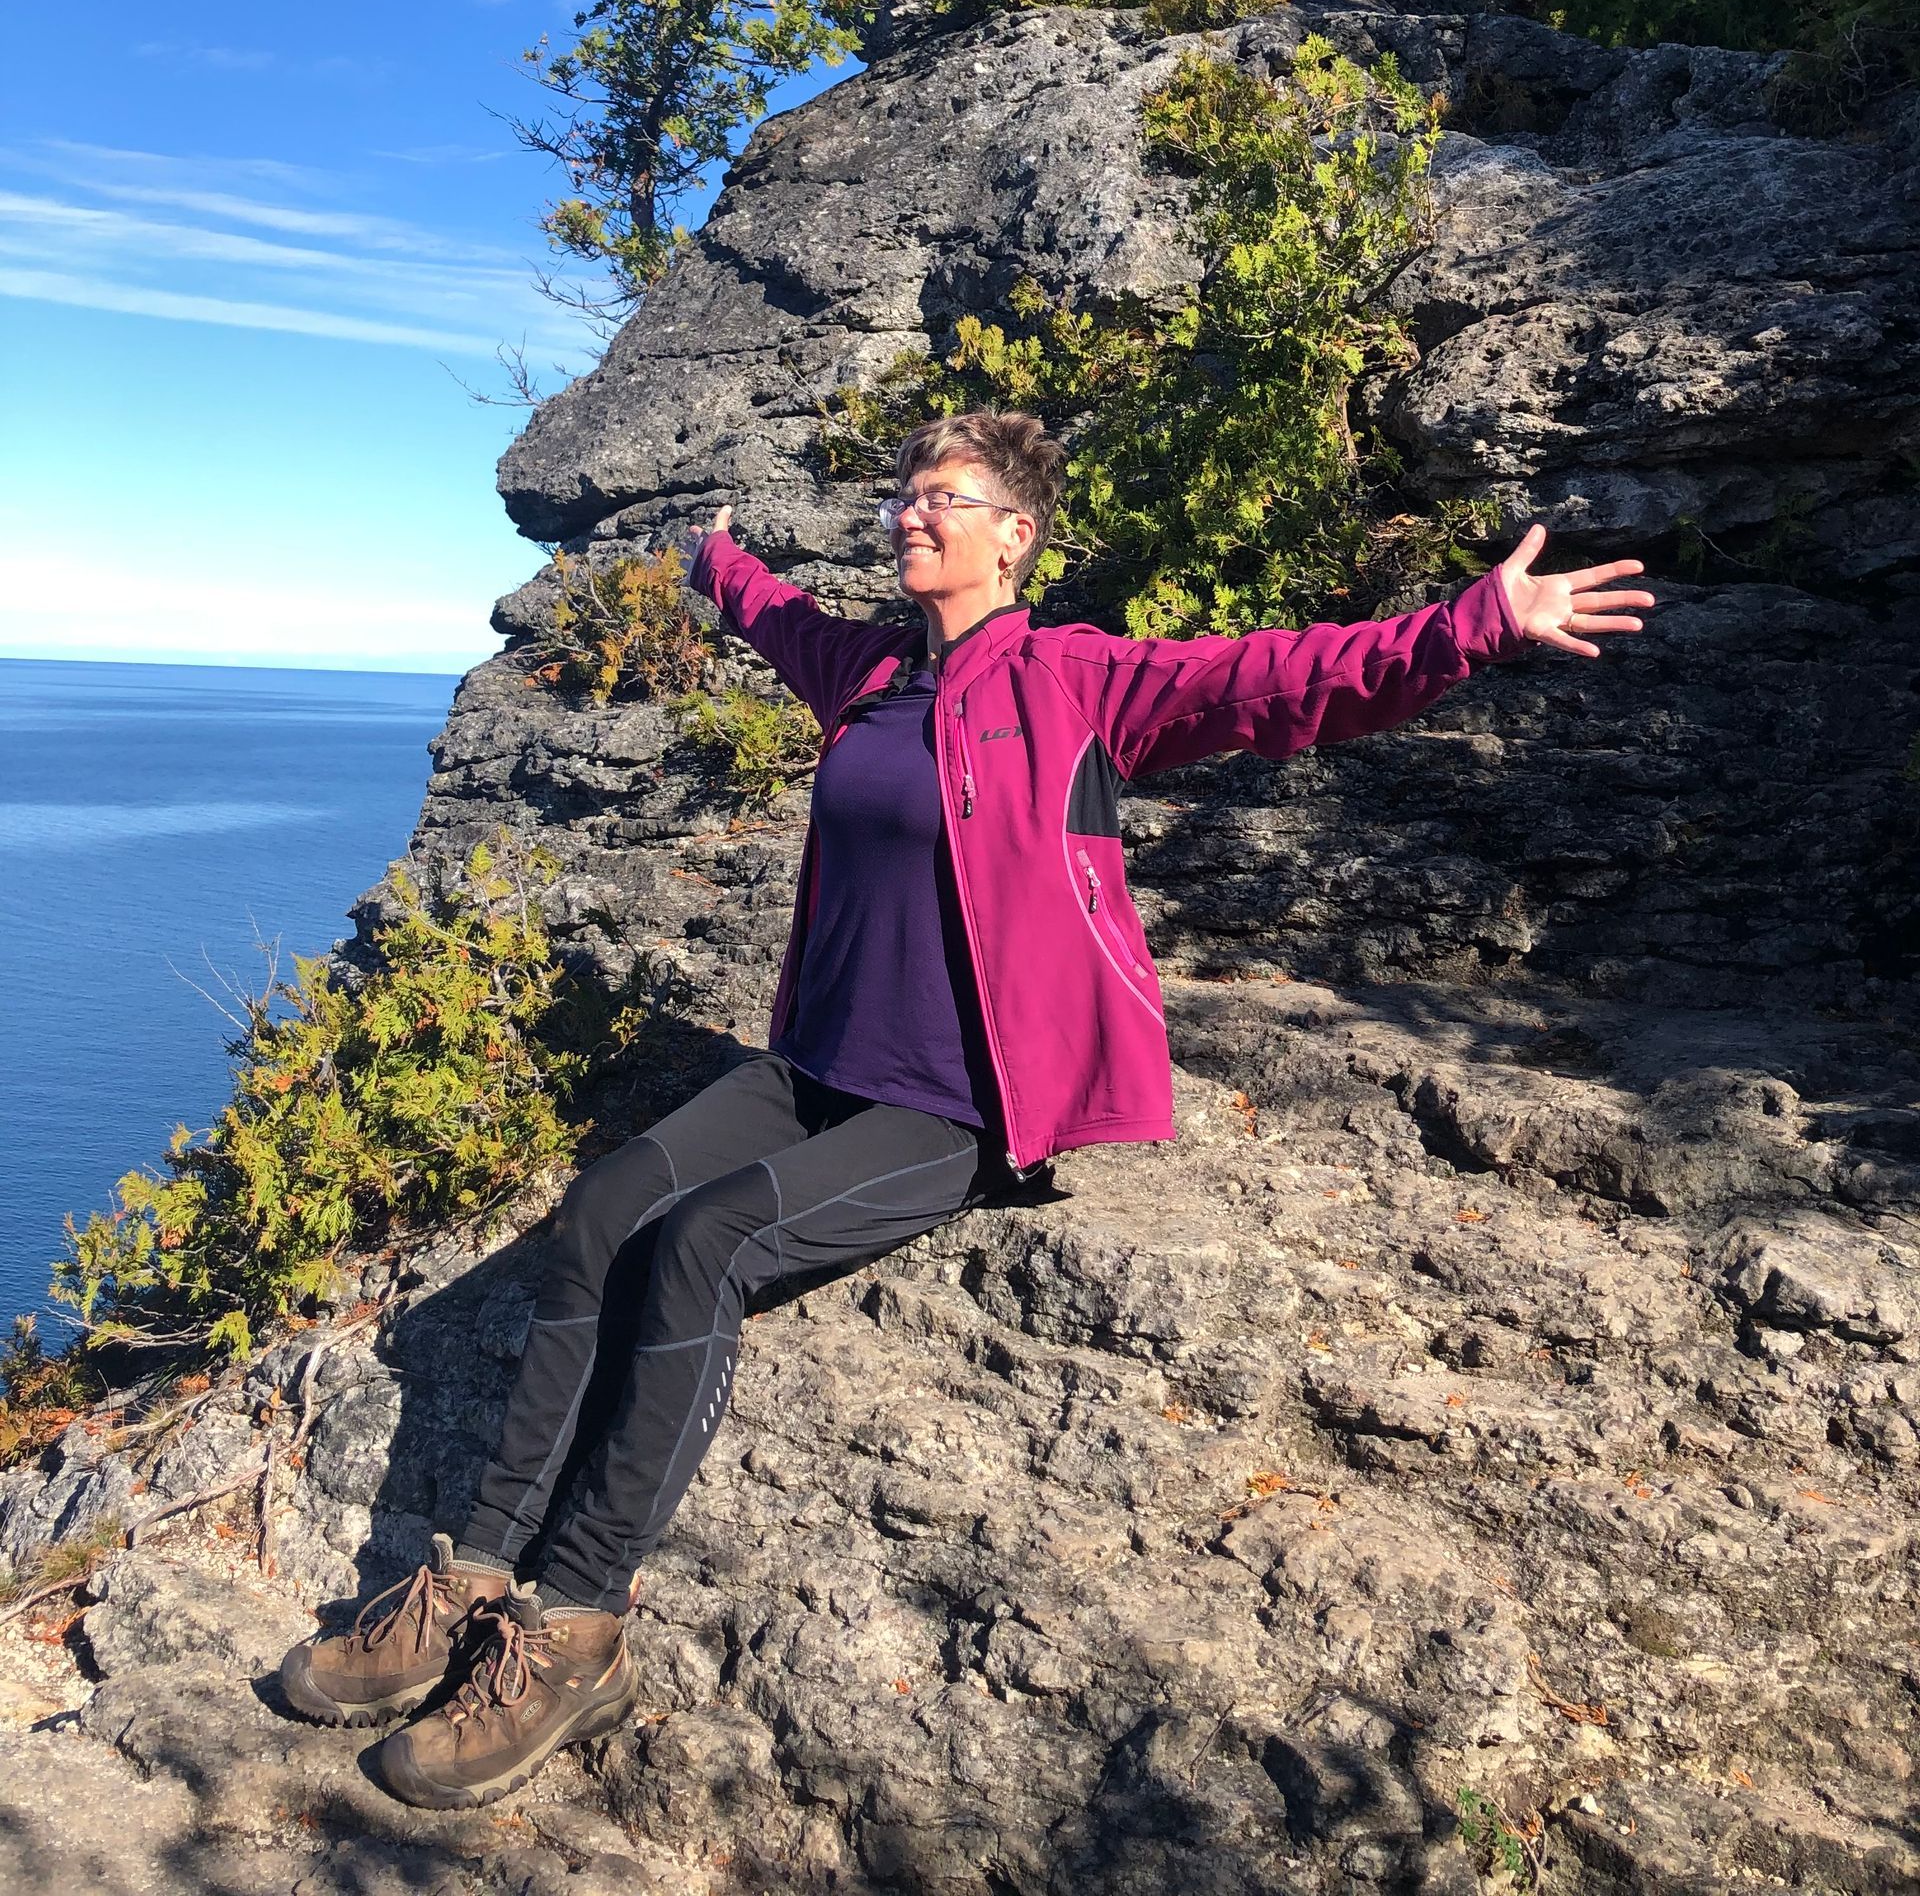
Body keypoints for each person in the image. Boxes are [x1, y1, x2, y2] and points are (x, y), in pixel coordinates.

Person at [277, 409, 1654, 1806]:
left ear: (1017, 533)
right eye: (903, 495)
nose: (911, 515)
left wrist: (1475, 624)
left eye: (946, 495)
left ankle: (574, 1626)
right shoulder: (869, 673)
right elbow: (775, 614)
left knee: (702, 1249)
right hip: (815, 1065)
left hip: (955, 1106)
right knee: (600, 1216)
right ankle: (469, 1576)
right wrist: (705, 557)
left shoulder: (1078, 681)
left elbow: (1280, 681)